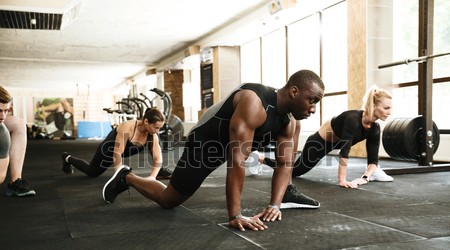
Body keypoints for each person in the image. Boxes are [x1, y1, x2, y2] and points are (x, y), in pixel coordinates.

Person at [102, 70, 325, 231]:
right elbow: (237, 161)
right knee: (169, 200)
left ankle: (127, 177)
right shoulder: (254, 102)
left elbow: (285, 164)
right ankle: (127, 176)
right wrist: (235, 215)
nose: (313, 109)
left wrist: (275, 205)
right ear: (294, 91)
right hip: (207, 141)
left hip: (229, 144)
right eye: (312, 101)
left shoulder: (290, 122)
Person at [251, 85, 393, 190]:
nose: (389, 112)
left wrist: (366, 177)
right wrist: (342, 180)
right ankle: (262, 159)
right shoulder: (353, 119)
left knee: (291, 169)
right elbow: (344, 152)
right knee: (293, 171)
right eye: (386, 108)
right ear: (373, 106)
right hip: (318, 143)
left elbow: (373, 159)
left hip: (333, 144)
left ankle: (375, 174)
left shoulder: (375, 128)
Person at [61, 107, 172, 180]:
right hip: (108, 151)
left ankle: (159, 171)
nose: (157, 131)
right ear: (146, 121)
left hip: (122, 152)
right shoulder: (127, 128)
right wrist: (118, 175)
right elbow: (117, 153)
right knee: (92, 172)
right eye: (156, 127)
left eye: (159, 128)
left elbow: (158, 158)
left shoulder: (152, 135)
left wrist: (152, 177)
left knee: (153, 146)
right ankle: (67, 158)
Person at [0, 85, 36, 197]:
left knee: (19, 124)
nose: (3, 116)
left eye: (6, 111)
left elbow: (0, 176)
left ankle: (16, 181)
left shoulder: (2, 132)